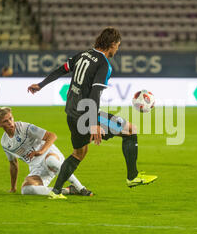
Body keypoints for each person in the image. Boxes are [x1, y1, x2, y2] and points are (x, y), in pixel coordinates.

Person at [27, 27, 157, 200]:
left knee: (78, 153)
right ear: (111, 44)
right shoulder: (104, 65)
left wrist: (41, 84)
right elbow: (95, 94)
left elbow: (61, 69)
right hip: (86, 115)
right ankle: (133, 177)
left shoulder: (83, 55)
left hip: (71, 114)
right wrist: (94, 123)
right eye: (117, 45)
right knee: (131, 130)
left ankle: (56, 191)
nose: (117, 49)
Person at [0, 107, 93, 196]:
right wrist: (13, 187)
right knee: (26, 190)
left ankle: (81, 188)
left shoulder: (24, 127)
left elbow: (52, 136)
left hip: (49, 154)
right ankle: (68, 191)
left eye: (10, 118)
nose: (10, 122)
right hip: (37, 168)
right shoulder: (5, 143)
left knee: (51, 161)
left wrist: (41, 151)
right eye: (6, 121)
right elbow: (13, 164)